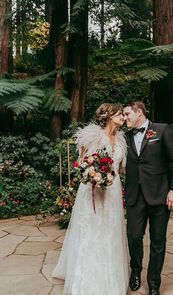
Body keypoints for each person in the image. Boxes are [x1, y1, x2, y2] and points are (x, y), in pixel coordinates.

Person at [52, 103, 129, 295]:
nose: (123, 117)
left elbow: (120, 169)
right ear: (110, 116)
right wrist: (94, 174)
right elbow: (82, 163)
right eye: (120, 114)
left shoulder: (121, 140)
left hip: (113, 188)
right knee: (92, 231)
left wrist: (110, 176)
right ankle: (86, 279)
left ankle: (111, 277)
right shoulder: (93, 136)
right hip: (92, 190)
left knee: (111, 231)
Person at [123, 101, 173, 295]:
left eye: (127, 114)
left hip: (159, 195)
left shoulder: (162, 130)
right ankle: (135, 271)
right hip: (135, 196)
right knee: (133, 236)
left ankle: (154, 283)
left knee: (158, 241)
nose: (124, 119)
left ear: (139, 112)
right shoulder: (125, 136)